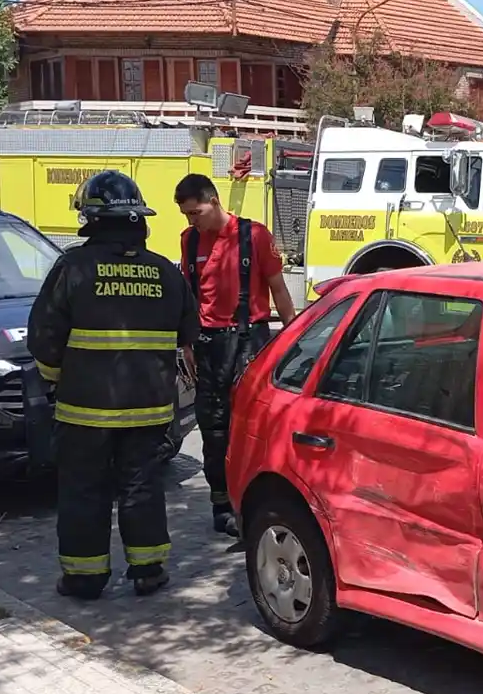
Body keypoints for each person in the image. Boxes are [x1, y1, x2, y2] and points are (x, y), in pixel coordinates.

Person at [28, 170, 199, 600]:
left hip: (85, 410)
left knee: (84, 490)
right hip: (149, 409)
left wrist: (57, 380)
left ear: (91, 219)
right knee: (142, 486)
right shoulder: (165, 272)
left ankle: (84, 577)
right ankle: (148, 570)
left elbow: (43, 339)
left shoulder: (72, 268)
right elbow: (188, 332)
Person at [173, 173, 297, 537]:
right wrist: (186, 343)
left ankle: (254, 505)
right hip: (206, 345)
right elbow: (189, 297)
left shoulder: (253, 236)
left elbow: (279, 290)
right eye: (186, 215)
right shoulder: (189, 240)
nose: (191, 221)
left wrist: (293, 339)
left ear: (213, 201)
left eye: (195, 212)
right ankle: (221, 506)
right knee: (213, 428)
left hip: (247, 343)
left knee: (250, 428)